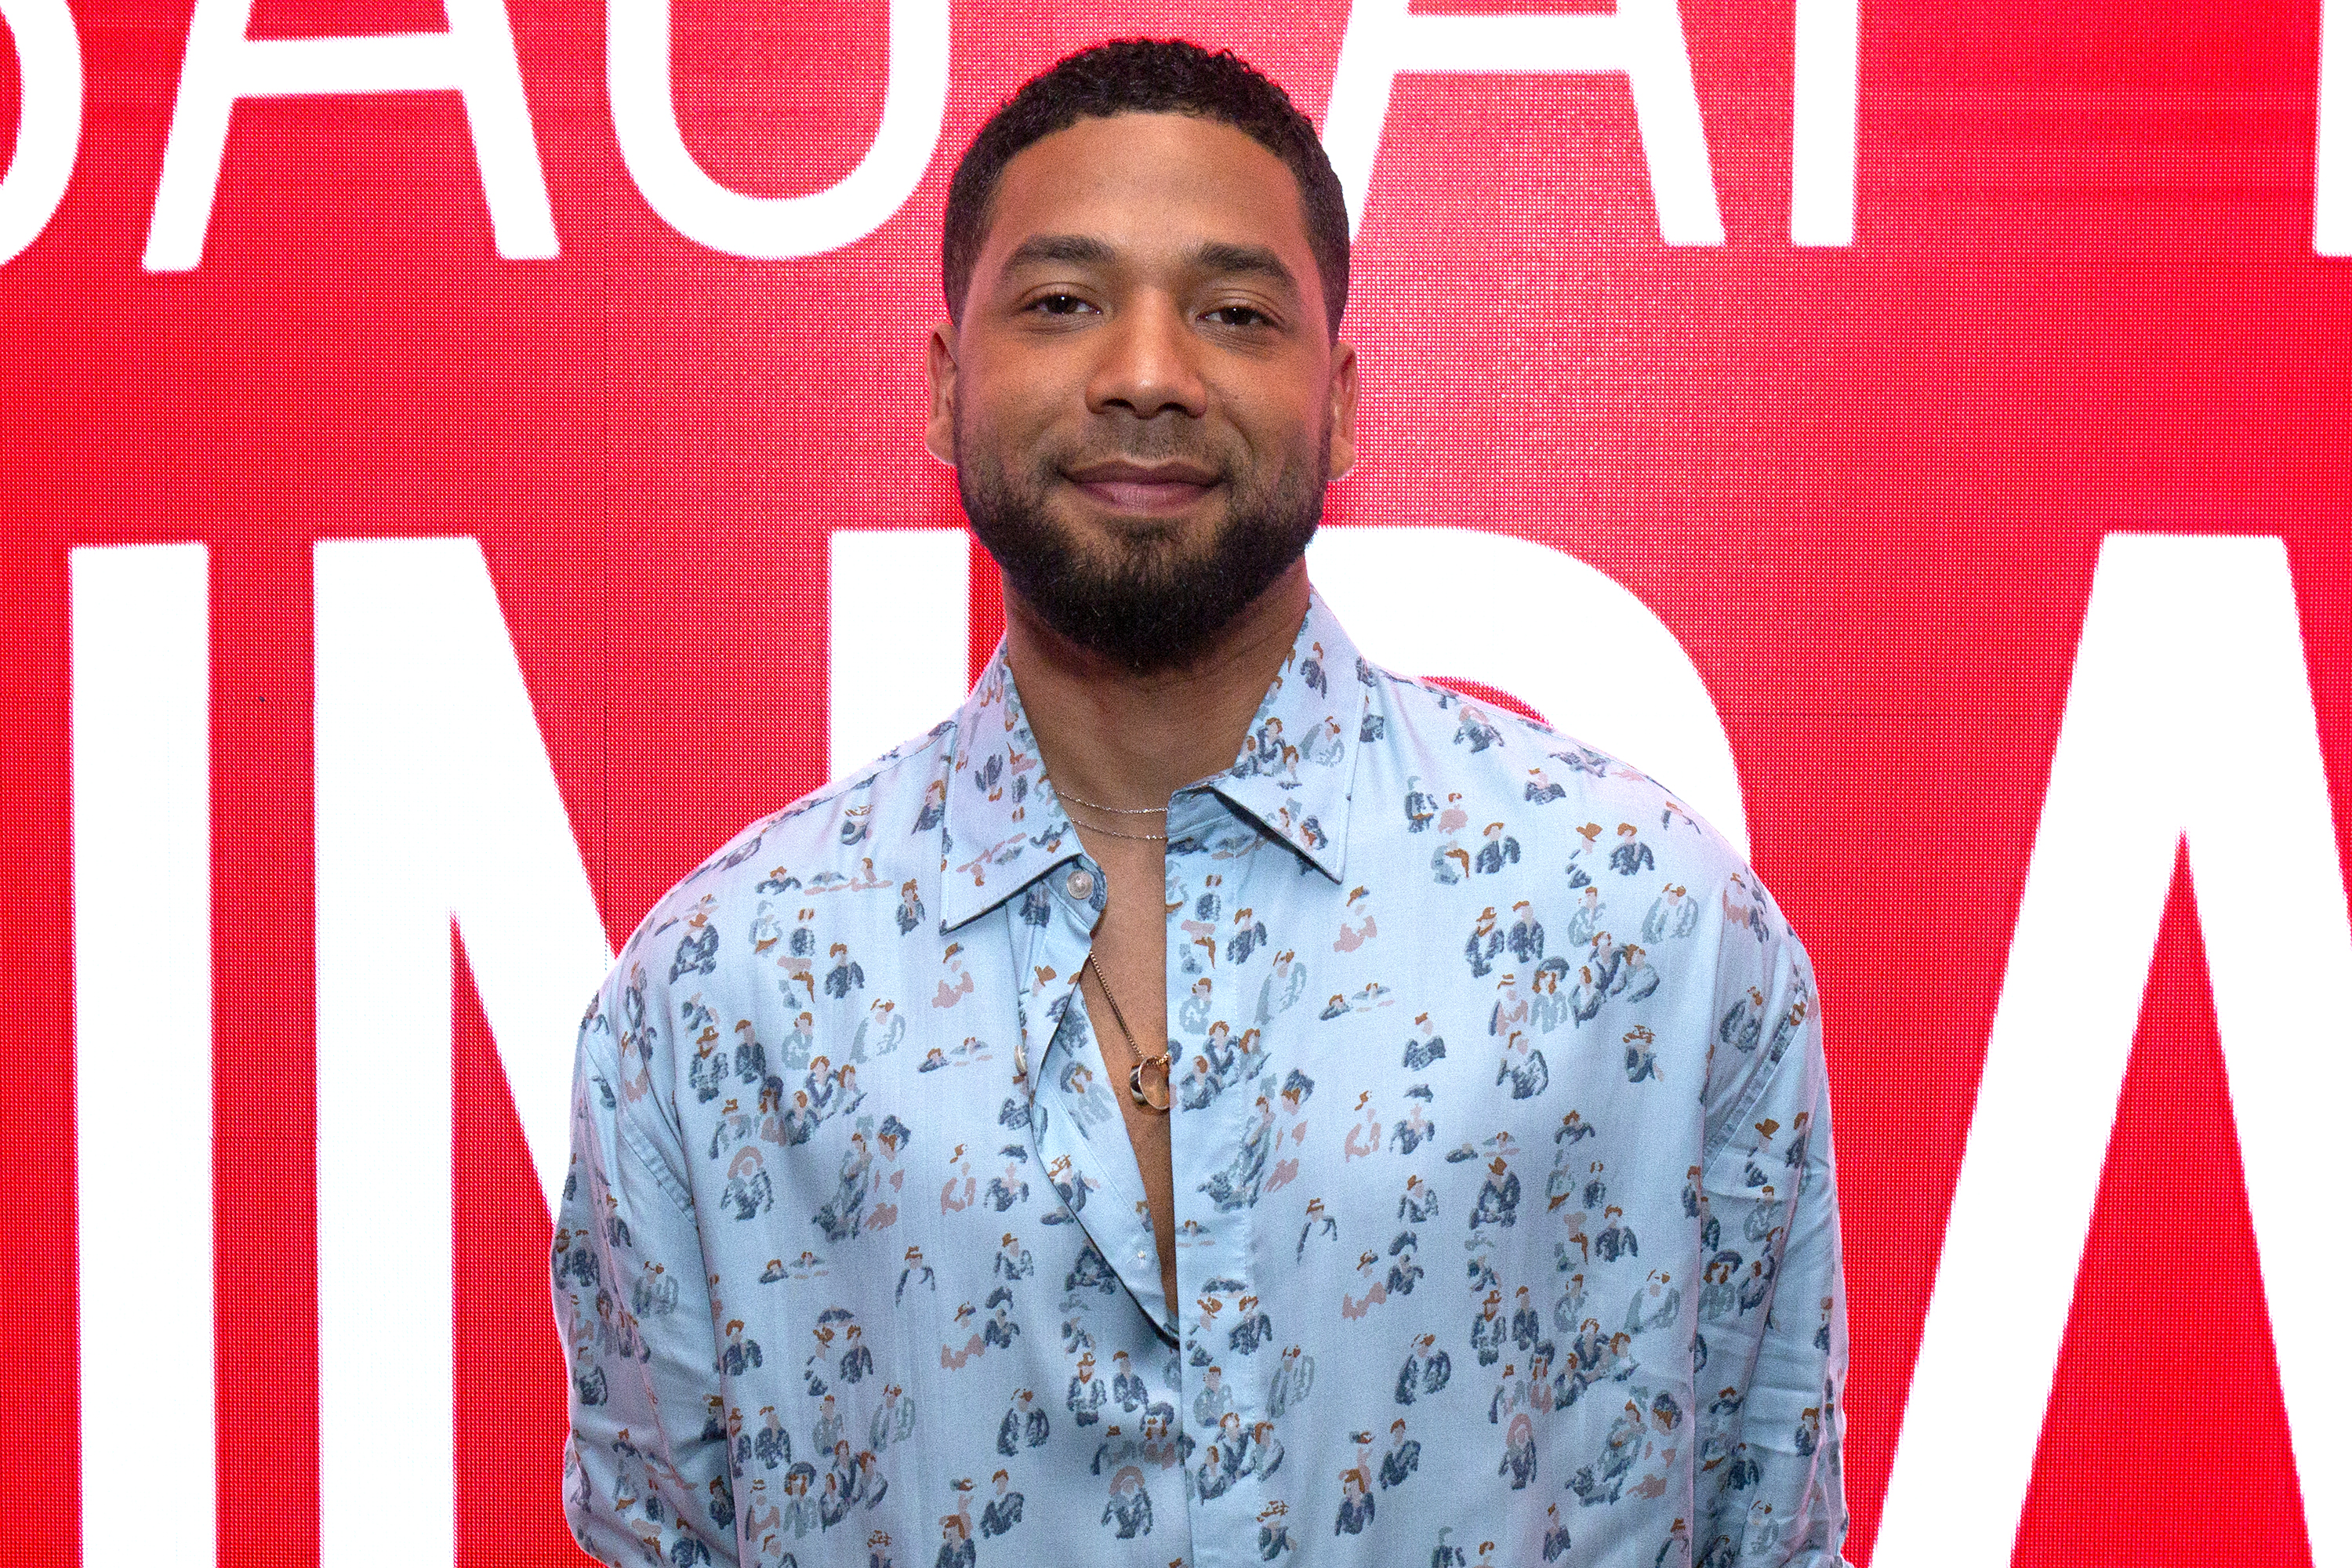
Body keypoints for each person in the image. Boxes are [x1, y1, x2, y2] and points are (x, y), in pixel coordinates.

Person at [553, 36, 1849, 1568]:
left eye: (1233, 311)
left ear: (1341, 399)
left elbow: (1768, 1522)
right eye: (1063, 302)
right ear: (945, 385)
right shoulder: (721, 997)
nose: (1149, 373)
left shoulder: (1650, 930)